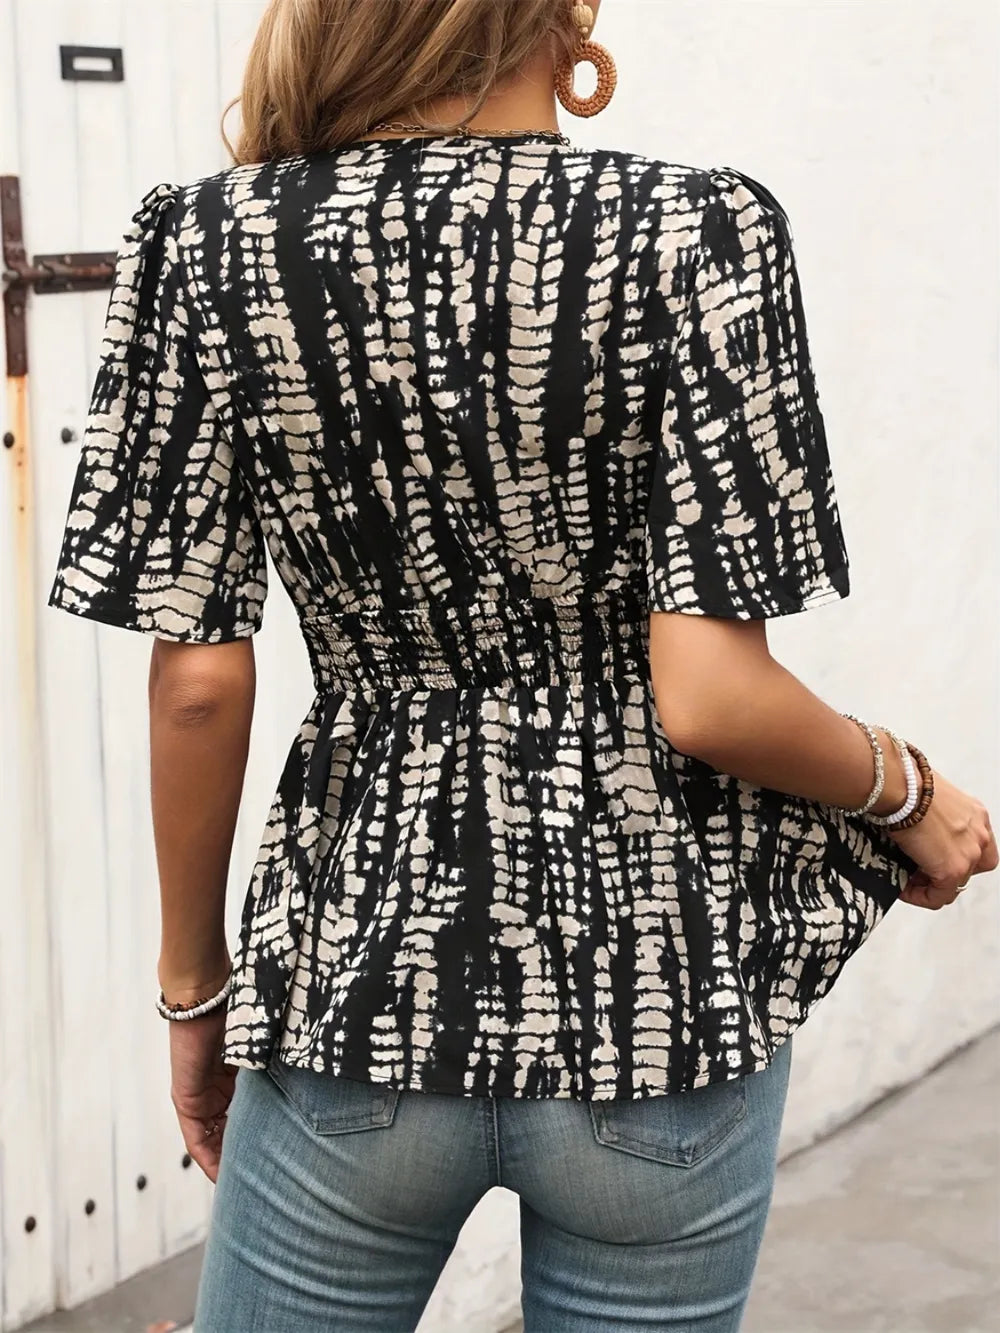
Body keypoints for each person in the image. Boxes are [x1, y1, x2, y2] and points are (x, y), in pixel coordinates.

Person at [47, 1, 996, 1329]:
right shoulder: (697, 229)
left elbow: (199, 683)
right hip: (657, 1001)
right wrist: (905, 788)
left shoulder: (210, 243)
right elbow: (711, 697)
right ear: (561, 17)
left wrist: (195, 994)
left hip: (363, 989)